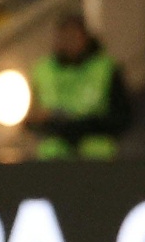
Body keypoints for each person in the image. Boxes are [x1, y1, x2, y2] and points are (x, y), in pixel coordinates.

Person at [27, 13, 133, 159]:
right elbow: (29, 118)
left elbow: (122, 117)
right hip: (53, 161)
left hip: (96, 159)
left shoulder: (105, 68)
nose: (70, 42)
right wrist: (47, 122)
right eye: (65, 36)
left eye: (74, 36)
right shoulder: (43, 70)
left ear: (85, 38)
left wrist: (83, 126)